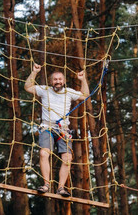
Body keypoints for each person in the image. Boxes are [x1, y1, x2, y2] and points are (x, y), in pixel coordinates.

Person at [24, 63, 89, 197]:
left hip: (63, 130)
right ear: (51, 81)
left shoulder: (69, 92)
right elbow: (28, 87)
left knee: (67, 158)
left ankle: (61, 188)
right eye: (55, 79)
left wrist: (82, 80)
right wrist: (34, 72)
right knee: (43, 153)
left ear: (63, 81)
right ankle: (46, 184)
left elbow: (85, 95)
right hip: (47, 127)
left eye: (60, 79)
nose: (58, 81)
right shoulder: (44, 90)